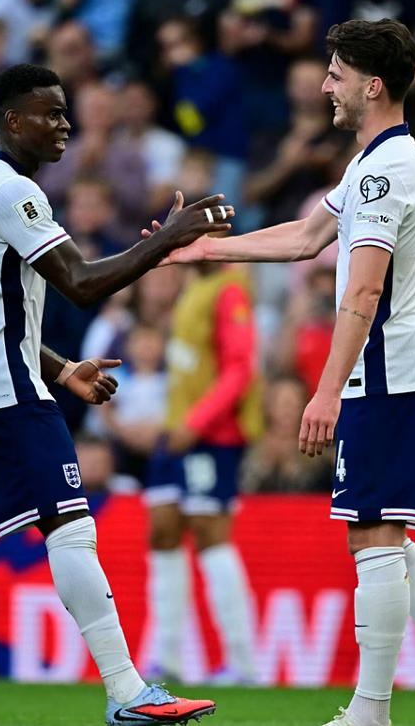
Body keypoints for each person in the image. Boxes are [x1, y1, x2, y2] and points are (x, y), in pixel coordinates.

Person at [148, 19, 415, 726]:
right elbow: (307, 236)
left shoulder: (382, 171)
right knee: (388, 533)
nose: (324, 86)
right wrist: (203, 252)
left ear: (372, 85)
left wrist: (324, 390)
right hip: (397, 370)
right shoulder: (378, 160)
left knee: (371, 537)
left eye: (337, 74)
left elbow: (364, 292)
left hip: (385, 372)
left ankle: (370, 711)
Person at [0, 63, 226, 726]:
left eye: (65, 112)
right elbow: (82, 283)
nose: (64, 124)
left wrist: (61, 371)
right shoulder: (11, 192)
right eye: (50, 113)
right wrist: (172, 237)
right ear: (10, 119)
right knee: (71, 526)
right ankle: (128, 692)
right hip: (4, 393)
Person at [145, 261, 263, 684]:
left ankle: (244, 662)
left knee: (210, 532)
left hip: (210, 435)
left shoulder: (230, 290)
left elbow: (239, 369)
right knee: (163, 529)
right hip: (176, 429)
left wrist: (195, 422)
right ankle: (166, 656)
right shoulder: (196, 287)